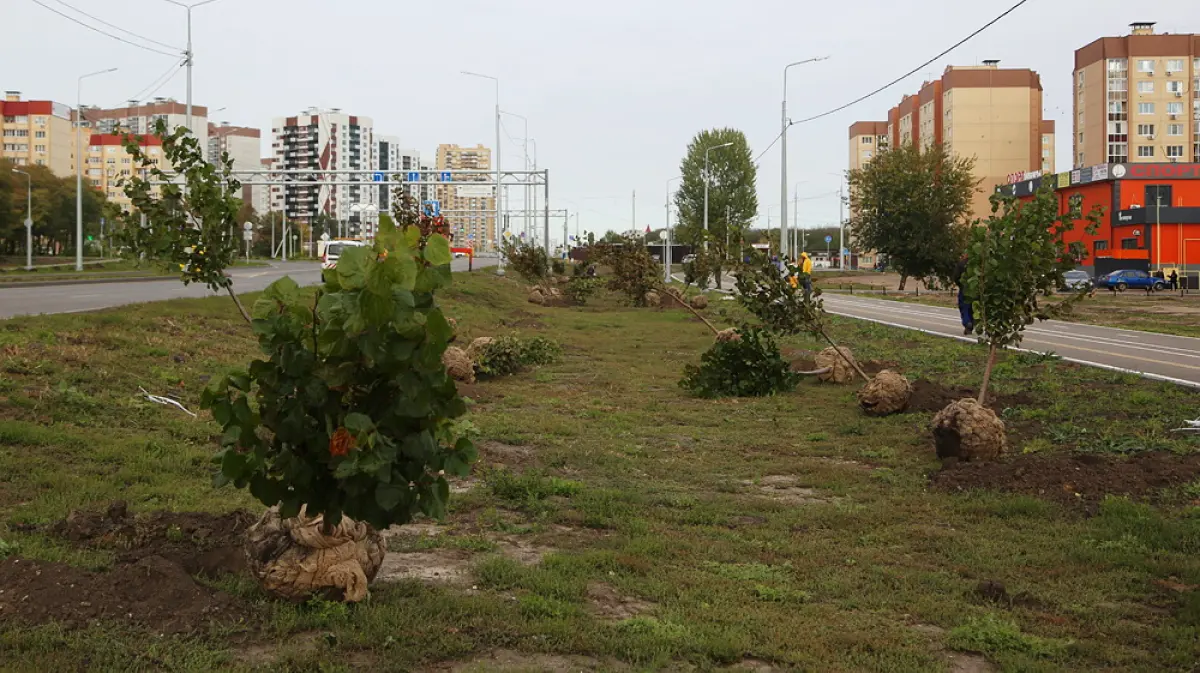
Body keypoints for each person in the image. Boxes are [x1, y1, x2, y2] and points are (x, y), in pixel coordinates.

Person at [953, 254, 974, 335]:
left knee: (964, 307)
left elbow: (956, 277)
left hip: (965, 289)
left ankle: (967, 322)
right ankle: (971, 324)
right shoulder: (977, 264)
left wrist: (961, 285)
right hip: (975, 290)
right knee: (973, 308)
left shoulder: (961, 264)